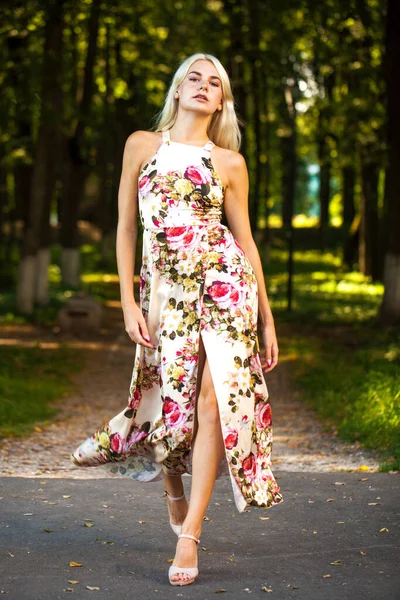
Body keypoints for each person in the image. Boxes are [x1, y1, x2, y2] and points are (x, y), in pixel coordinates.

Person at [70, 52, 283, 587]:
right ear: (178, 88)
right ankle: (171, 485)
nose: (204, 86)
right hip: (166, 295)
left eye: (216, 83)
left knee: (215, 401)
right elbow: (124, 230)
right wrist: (126, 301)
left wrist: (268, 318)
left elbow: (245, 241)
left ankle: (190, 536)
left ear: (222, 100)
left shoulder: (230, 162)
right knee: (173, 406)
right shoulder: (142, 145)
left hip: (227, 288)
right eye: (196, 77)